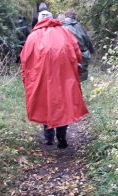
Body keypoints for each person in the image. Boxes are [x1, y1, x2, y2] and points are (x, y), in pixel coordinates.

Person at [20, 10, 89, 149]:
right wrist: (77, 70)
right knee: (63, 103)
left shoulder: (33, 36)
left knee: (44, 103)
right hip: (63, 77)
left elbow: (25, 59)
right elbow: (76, 53)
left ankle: (48, 138)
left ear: (39, 20)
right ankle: (61, 136)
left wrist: (26, 78)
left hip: (41, 77)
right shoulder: (64, 33)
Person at [62, 11, 94, 81]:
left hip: (67, 53)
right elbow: (86, 39)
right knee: (82, 73)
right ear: (74, 17)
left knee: (70, 73)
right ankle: (81, 85)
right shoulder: (79, 26)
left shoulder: (61, 27)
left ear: (65, 17)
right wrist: (91, 50)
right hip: (82, 52)